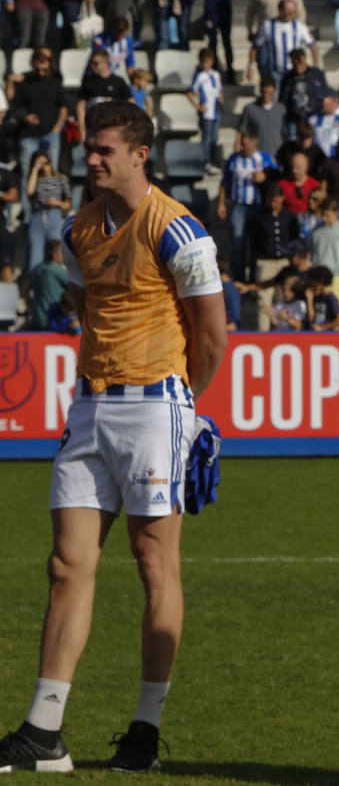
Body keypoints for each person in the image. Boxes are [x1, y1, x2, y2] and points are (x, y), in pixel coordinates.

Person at [0, 99, 226, 775]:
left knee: (154, 561)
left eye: (103, 150)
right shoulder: (78, 229)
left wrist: (184, 404)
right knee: (66, 564)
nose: (90, 159)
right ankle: (45, 731)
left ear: (139, 154)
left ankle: (146, 729)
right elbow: (84, 302)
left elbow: (213, 336)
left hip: (156, 404)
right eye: (88, 149)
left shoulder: (179, 231)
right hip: (90, 406)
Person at [217, 130, 273, 282]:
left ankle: (254, 280)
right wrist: (221, 203)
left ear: (255, 145)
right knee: (237, 244)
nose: (240, 146)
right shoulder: (234, 159)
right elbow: (224, 183)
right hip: (238, 207)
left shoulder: (265, 159)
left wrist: (265, 177)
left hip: (258, 207)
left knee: (255, 244)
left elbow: (276, 177)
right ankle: (240, 280)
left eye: (244, 144)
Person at [6, 48, 66, 171]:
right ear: (33, 63)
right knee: (25, 170)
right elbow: (14, 104)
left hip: (51, 133)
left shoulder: (55, 81)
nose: (41, 72)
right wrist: (25, 117)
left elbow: (63, 107)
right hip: (29, 133)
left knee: (51, 171)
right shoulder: (25, 81)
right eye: (38, 68)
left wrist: (56, 129)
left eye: (44, 68)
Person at [249, 0, 317, 89]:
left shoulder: (299, 25)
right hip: (275, 71)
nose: (292, 15)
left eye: (293, 12)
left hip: (294, 71)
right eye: (289, 13)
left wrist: (316, 64)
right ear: (280, 11)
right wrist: (251, 66)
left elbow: (312, 45)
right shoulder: (268, 25)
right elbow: (255, 47)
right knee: (275, 98)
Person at [24, 151, 70, 270]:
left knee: (57, 254)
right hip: (37, 217)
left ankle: (58, 283)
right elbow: (29, 192)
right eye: (40, 163)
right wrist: (35, 169)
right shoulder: (35, 179)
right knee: (36, 255)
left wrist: (58, 203)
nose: (44, 165)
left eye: (46, 163)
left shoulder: (61, 178)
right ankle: (35, 286)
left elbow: (68, 205)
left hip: (54, 216)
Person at [247, 180, 299, 286]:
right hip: (265, 261)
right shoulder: (258, 215)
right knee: (264, 297)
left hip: (285, 261)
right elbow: (253, 240)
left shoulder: (290, 216)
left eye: (275, 201)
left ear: (282, 198)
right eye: (270, 201)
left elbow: (295, 237)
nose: (272, 204)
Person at [76, 49, 133, 144]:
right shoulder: (88, 82)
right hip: (93, 129)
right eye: (91, 63)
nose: (92, 66)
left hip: (114, 130)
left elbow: (131, 103)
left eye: (96, 63)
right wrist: (82, 132)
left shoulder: (118, 81)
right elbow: (80, 107)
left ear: (106, 63)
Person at [278, 48, 329, 138]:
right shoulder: (287, 78)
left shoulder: (317, 74)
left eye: (300, 63)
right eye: (295, 64)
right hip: (294, 118)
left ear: (305, 59)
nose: (298, 66)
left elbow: (325, 94)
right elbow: (283, 99)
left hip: (314, 117)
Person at [188, 48, 223, 175]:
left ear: (212, 62)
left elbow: (220, 90)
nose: (205, 64)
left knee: (214, 138)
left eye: (207, 62)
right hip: (206, 112)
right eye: (203, 62)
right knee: (206, 138)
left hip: (216, 112)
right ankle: (206, 162)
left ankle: (213, 161)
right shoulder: (200, 76)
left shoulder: (216, 75)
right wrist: (198, 106)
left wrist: (221, 100)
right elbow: (190, 92)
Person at [309, 197, 339, 290]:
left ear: (336, 213)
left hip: (336, 278)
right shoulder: (316, 230)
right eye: (322, 215)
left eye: (327, 215)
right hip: (318, 277)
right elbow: (311, 252)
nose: (324, 218)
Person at [26, 237, 68, 329]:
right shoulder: (57, 270)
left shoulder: (36, 269)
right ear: (54, 255)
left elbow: (26, 289)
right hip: (53, 320)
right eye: (61, 252)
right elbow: (75, 286)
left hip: (36, 319)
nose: (63, 255)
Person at [238, 81, 285, 160]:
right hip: (256, 156)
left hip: (276, 156)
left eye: (269, 92)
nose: (266, 95)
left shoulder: (281, 110)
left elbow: (285, 133)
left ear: (274, 92)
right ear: (260, 91)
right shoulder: (250, 109)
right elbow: (241, 130)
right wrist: (238, 144)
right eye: (264, 92)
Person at [91, 17, 136, 82]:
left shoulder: (128, 41)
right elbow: (97, 63)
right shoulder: (99, 40)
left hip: (115, 79)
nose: (119, 34)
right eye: (117, 30)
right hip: (98, 78)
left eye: (122, 31)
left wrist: (133, 83)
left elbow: (130, 64)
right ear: (112, 29)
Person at [278, 148, 320, 216]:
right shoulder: (282, 184)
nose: (294, 171)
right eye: (292, 167)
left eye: (297, 168)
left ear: (306, 167)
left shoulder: (314, 185)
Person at [302, 265, 339, 330]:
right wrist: (309, 300)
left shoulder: (331, 298)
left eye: (313, 281)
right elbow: (311, 319)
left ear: (321, 282)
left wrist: (322, 328)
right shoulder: (314, 296)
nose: (311, 284)